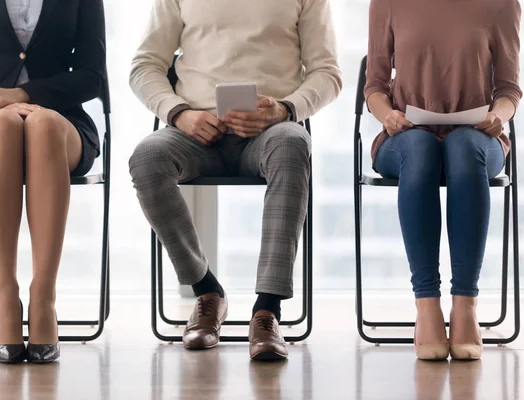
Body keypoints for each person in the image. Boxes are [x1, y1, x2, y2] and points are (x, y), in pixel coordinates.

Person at [129, 0, 341, 360]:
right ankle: (207, 291)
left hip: (270, 131)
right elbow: (144, 66)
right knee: (148, 158)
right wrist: (180, 114)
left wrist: (285, 109)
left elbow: (326, 72)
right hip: (195, 132)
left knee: (292, 142)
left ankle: (268, 310)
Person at [0, 0, 106, 363]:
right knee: (4, 127)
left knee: (42, 126)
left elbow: (92, 74)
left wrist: (24, 95)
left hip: (61, 121)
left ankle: (44, 299)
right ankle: (4, 298)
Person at [365, 0, 521, 360]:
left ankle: (465, 305)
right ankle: (427, 306)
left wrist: (499, 115)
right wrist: (387, 116)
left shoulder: (501, 4)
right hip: (405, 137)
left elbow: (509, 89)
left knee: (463, 148)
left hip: (478, 138)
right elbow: (374, 85)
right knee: (421, 148)